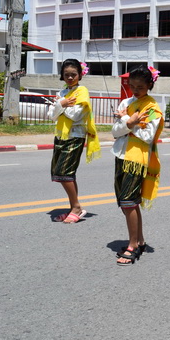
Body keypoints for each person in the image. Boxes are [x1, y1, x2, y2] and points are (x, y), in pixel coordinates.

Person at [111, 66, 164, 265]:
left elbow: (148, 136)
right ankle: (139, 240)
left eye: (140, 87)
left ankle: (132, 245)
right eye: (132, 86)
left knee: (128, 202)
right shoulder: (126, 103)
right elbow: (115, 132)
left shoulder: (152, 108)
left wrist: (127, 120)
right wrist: (130, 123)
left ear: (150, 85)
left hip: (137, 159)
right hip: (121, 154)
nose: (135, 90)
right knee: (127, 203)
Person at [48, 59, 101, 223]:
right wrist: (63, 104)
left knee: (63, 172)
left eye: (73, 74)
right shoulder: (62, 92)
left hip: (75, 136)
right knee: (64, 174)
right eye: (66, 75)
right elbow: (51, 115)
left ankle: (76, 207)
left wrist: (59, 105)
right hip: (61, 135)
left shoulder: (82, 91)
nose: (70, 78)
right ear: (62, 76)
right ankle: (74, 207)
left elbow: (76, 115)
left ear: (80, 75)